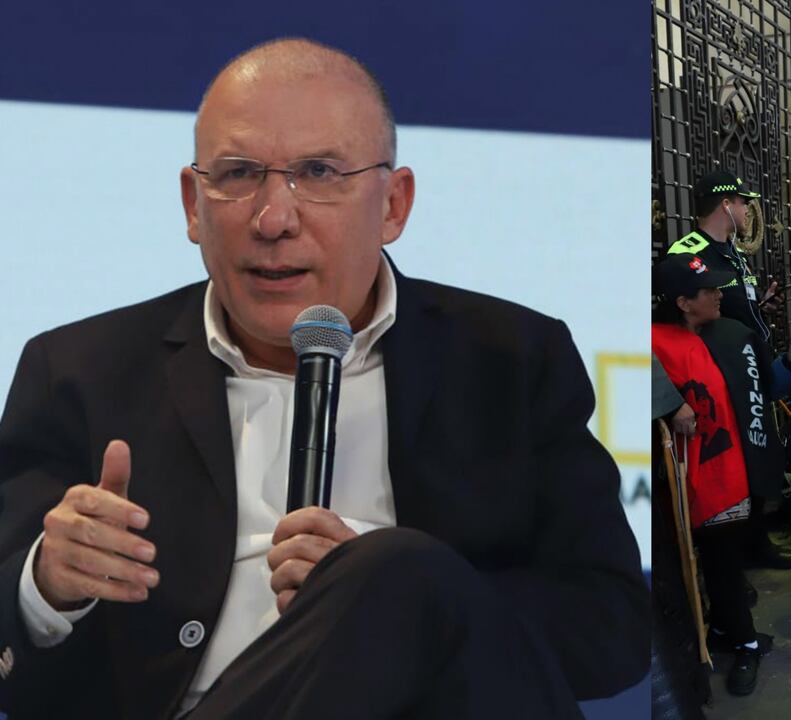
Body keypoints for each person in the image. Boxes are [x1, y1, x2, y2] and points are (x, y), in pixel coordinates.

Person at [0, 39, 646, 719]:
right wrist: (44, 586)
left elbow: (613, 627)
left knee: (392, 572)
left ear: (394, 204)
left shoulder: (513, 360)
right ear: (193, 203)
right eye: (240, 173)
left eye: (319, 171)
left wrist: (407, 601)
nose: (274, 218)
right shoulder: (77, 369)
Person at [651, 253, 791, 697]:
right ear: (684, 302)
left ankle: (740, 639)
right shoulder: (651, 344)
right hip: (678, 483)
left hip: (730, 477)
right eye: (709, 291)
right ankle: (725, 638)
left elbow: (764, 389)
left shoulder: (731, 335)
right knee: (691, 571)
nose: (719, 295)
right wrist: (667, 403)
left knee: (726, 567)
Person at [667, 170, 791, 571]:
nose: (748, 210)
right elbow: (686, 314)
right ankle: (732, 556)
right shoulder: (688, 251)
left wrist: (760, 306)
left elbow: (728, 306)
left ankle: (757, 540)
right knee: (729, 462)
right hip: (717, 372)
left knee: (757, 453)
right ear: (726, 204)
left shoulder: (733, 253)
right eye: (744, 202)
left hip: (747, 361)